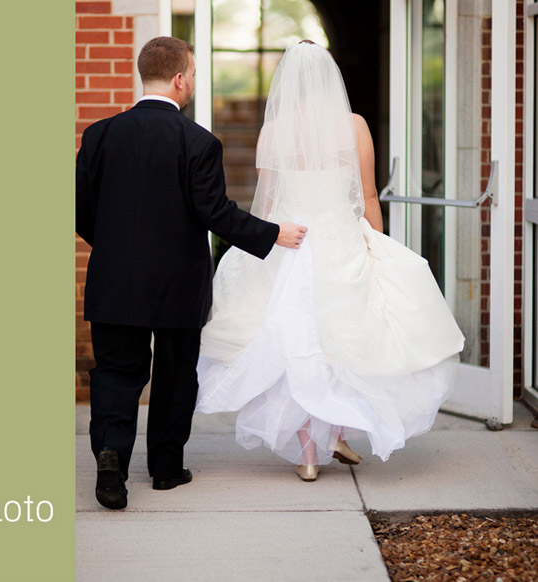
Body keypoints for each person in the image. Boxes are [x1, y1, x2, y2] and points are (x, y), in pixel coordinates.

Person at [195, 40, 464, 481]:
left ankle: (308, 454)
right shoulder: (354, 125)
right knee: (344, 341)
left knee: (297, 345)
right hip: (340, 241)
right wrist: (376, 243)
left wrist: (261, 246)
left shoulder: (274, 130)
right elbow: (369, 193)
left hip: (289, 244)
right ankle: (335, 430)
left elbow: (267, 202)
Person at [76, 36, 307, 509]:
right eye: (195, 74)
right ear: (180, 79)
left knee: (117, 373)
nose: (195, 82)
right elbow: (215, 212)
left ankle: (111, 457)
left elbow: (81, 211)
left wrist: (119, 250)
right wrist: (272, 233)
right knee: (176, 374)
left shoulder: (99, 135)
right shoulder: (198, 141)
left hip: (114, 280)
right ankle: (165, 468)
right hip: (178, 283)